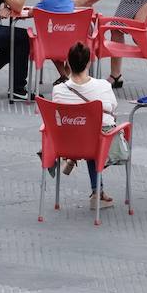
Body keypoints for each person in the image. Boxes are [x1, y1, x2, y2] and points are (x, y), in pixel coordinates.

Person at [51, 41, 119, 210]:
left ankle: (75, 161)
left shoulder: (58, 90)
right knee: (95, 133)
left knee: (85, 130)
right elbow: (113, 108)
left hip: (67, 143)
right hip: (97, 143)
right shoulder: (103, 86)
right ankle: (98, 193)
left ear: (67, 62)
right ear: (89, 62)